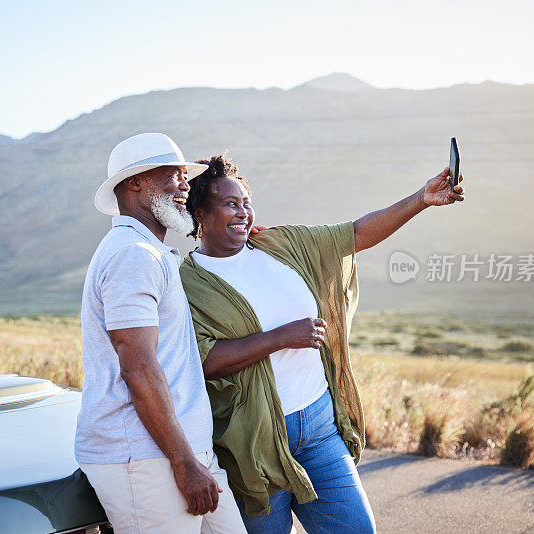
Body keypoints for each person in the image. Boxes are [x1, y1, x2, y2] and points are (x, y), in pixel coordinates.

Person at [179, 153, 465, 534]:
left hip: (318, 427)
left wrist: (420, 199)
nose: (243, 213)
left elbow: (355, 234)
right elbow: (204, 360)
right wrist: (281, 338)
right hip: (253, 443)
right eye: (231, 203)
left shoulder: (281, 245)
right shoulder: (189, 283)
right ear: (199, 211)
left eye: (247, 202)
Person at [75, 134, 246, 533]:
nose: (186, 185)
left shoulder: (148, 252)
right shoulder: (132, 255)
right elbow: (138, 367)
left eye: (186, 176)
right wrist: (184, 464)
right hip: (144, 457)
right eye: (174, 175)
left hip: (180, 450)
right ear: (135, 183)